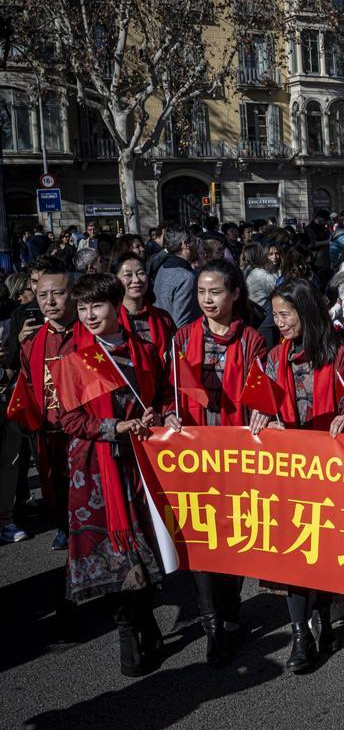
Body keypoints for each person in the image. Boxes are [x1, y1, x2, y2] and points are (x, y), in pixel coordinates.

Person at [248, 279, 344, 675]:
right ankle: (300, 635)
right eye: (275, 314)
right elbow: (267, 400)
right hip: (290, 471)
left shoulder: (339, 350)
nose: (279, 322)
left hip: (329, 469)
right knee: (293, 552)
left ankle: (325, 621)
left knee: (323, 550)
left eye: (286, 314)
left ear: (307, 312)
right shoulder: (276, 356)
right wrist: (262, 414)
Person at [162, 260, 266, 665]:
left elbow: (262, 390)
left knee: (235, 534)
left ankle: (232, 607)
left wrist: (261, 411)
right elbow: (168, 391)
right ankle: (212, 625)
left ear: (235, 294)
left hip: (236, 455)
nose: (207, 300)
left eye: (216, 292)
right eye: (202, 292)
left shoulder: (253, 340)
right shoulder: (183, 336)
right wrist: (170, 412)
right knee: (201, 537)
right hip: (192, 456)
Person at [59, 273, 163, 677]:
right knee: (115, 557)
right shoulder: (75, 356)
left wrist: (156, 412)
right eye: (82, 308)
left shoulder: (142, 350)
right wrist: (112, 428)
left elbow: (159, 395)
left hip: (140, 461)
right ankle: (126, 632)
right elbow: (68, 419)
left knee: (148, 551)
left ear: (117, 306)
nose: (88, 315)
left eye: (96, 307)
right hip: (96, 468)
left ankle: (146, 621)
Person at [20, 256, 78, 551]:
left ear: (73, 294)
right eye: (43, 295)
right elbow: (29, 385)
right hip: (49, 429)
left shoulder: (89, 334)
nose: (50, 301)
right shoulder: (31, 343)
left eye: (58, 293)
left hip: (84, 430)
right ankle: (63, 528)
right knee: (55, 486)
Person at [112, 253, 175, 361]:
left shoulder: (163, 318)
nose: (136, 280)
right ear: (116, 279)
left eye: (140, 273)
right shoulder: (110, 319)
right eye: (128, 275)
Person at [153, 229, 201, 327]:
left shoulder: (163, 267)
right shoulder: (186, 277)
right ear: (186, 244)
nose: (198, 246)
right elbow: (180, 323)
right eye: (195, 242)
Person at [240, 242, 278, 309]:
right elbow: (274, 289)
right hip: (263, 308)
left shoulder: (244, 271)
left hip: (252, 307)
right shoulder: (259, 273)